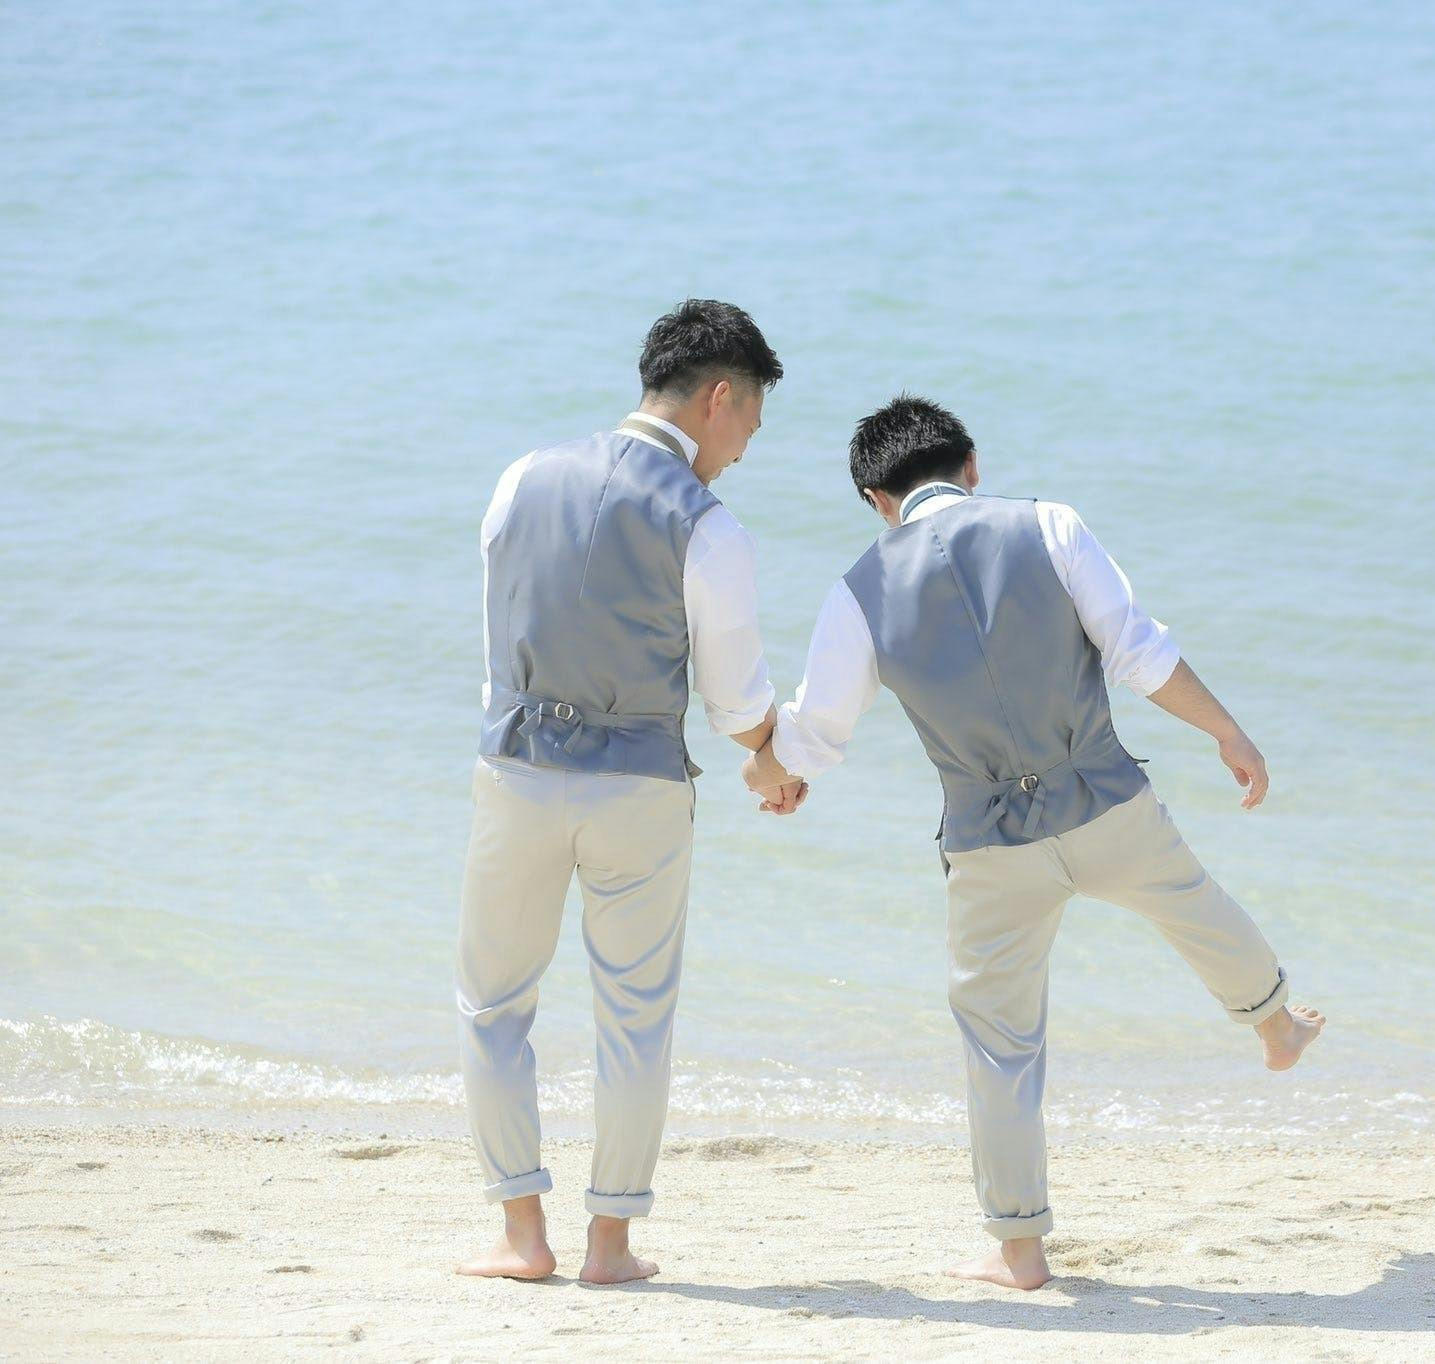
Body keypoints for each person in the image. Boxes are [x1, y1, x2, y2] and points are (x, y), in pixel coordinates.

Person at [743, 395, 1323, 1290]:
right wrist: (1227, 732)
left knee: (998, 1040)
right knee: (1193, 903)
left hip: (989, 841)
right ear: (971, 465)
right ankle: (1277, 1027)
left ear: (875, 499)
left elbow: (816, 734)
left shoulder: (857, 591)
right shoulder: (1049, 525)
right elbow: (1138, 651)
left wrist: (767, 773)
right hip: (1103, 799)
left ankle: (1018, 1249)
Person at [455, 300, 805, 1284]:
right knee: (635, 1017)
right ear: (718, 397)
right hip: (638, 790)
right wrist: (772, 759)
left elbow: (497, 639)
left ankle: (523, 1235)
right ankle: (609, 1243)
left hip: (516, 770)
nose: (744, 449)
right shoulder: (706, 523)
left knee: (493, 1004)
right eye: (749, 423)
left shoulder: (520, 476)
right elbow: (735, 700)